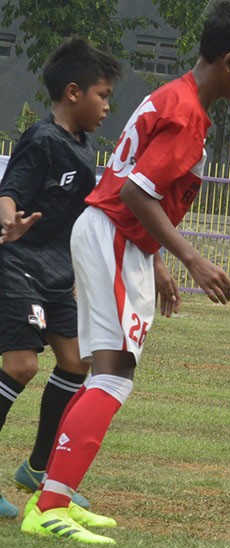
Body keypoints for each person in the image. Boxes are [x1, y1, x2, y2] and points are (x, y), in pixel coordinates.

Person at [20, 0, 230, 544]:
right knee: (112, 375)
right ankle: (49, 504)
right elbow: (134, 190)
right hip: (111, 234)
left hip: (119, 239)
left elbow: (140, 185)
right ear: (229, 61)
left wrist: (153, 258)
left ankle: (53, 495)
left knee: (109, 373)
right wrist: (192, 258)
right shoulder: (185, 112)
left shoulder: (177, 97)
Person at [0, 38, 122, 520]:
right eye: (103, 95)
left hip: (56, 273)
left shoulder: (82, 146)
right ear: (73, 92)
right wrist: (7, 220)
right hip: (18, 265)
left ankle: (38, 468)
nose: (108, 107)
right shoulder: (42, 139)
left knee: (76, 362)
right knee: (22, 365)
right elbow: (8, 191)